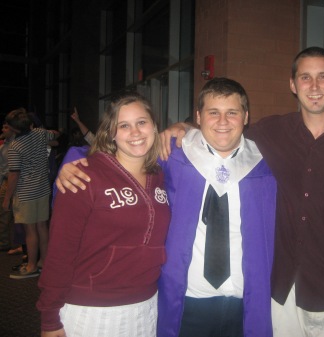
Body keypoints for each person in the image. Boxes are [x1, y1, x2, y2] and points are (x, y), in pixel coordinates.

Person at [159, 47, 324, 337]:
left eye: (323, 77)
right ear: (293, 85)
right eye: (305, 77)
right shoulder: (271, 132)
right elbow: (221, 129)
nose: (314, 86)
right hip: (283, 293)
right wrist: (182, 127)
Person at [55, 78, 277, 337]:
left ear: (246, 116)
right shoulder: (173, 154)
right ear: (198, 116)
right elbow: (117, 155)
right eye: (213, 112)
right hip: (187, 299)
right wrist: (72, 163)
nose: (223, 121)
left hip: (243, 299)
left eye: (232, 113)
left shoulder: (267, 164)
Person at [37, 91, 171, 337]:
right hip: (92, 309)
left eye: (142, 122)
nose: (135, 132)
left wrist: (183, 127)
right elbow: (60, 251)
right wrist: (49, 317)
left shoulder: (161, 175)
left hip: (146, 304)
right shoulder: (85, 176)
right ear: (111, 133)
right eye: (124, 125)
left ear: (154, 127)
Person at [2, 109, 56, 279]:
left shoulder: (15, 147)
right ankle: (45, 262)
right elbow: (55, 135)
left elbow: (14, 174)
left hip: (26, 194)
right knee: (42, 227)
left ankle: (31, 265)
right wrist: (51, 138)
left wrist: (7, 199)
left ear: (14, 129)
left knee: (30, 231)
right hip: (42, 189)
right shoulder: (40, 134)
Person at [0, 122, 15, 252]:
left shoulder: (18, 144)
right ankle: (4, 241)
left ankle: (22, 244)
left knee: (18, 213)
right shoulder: (3, 146)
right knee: (4, 212)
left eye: (6, 127)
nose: (3, 130)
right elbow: (1, 168)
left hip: (18, 180)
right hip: (6, 181)